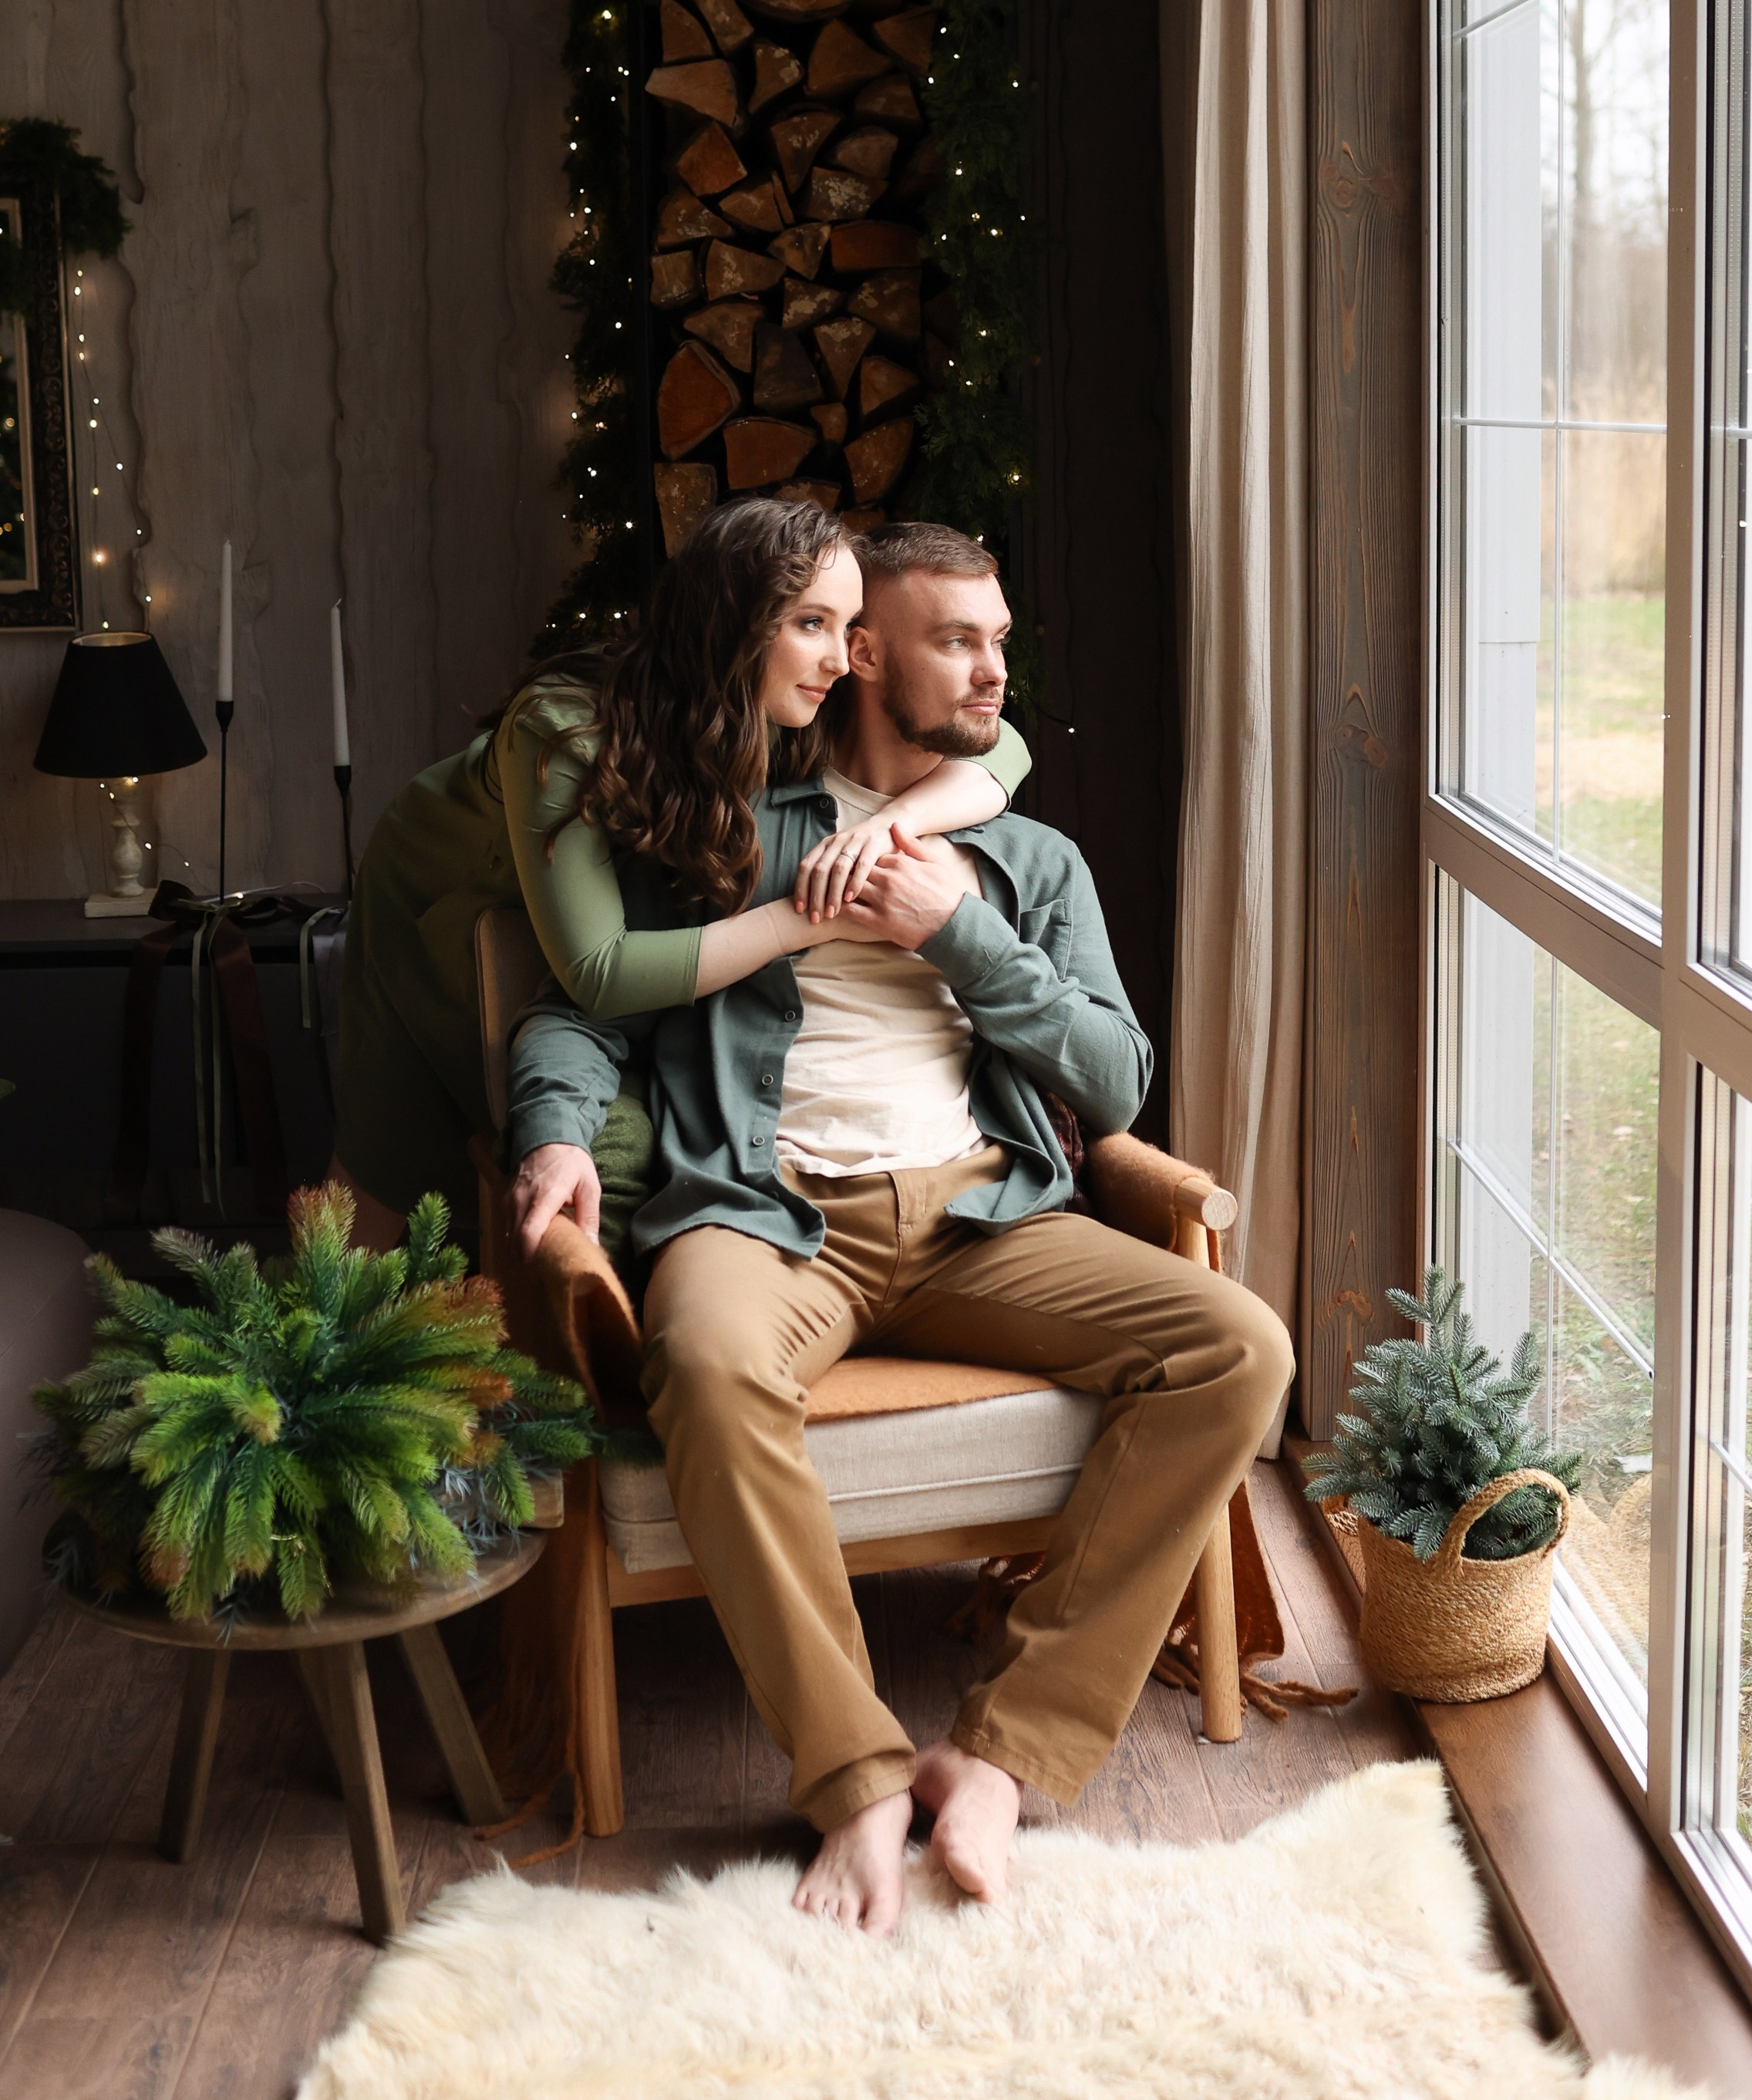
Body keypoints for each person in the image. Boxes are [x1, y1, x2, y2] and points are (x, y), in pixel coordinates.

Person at [505, 521, 1295, 1938]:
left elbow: (1116, 1083)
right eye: (958, 642)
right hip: (765, 1216)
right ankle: (857, 1779)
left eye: (1001, 642)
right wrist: (556, 1129)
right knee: (704, 1363)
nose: (994, 671)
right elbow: (584, 1007)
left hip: (982, 1217)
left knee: (1239, 1347)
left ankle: (1001, 1757)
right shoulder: (727, 827)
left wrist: (958, 930)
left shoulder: (1028, 857)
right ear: (863, 654)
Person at [332, 501, 1030, 1249]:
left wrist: (882, 830)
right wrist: (808, 915)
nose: (839, 657)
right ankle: (323, 1309)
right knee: (397, 1129)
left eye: (847, 626)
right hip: (454, 883)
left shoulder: (798, 692)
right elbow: (600, 974)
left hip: (605, 891)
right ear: (733, 619)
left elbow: (1001, 747)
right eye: (810, 623)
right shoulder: (565, 726)